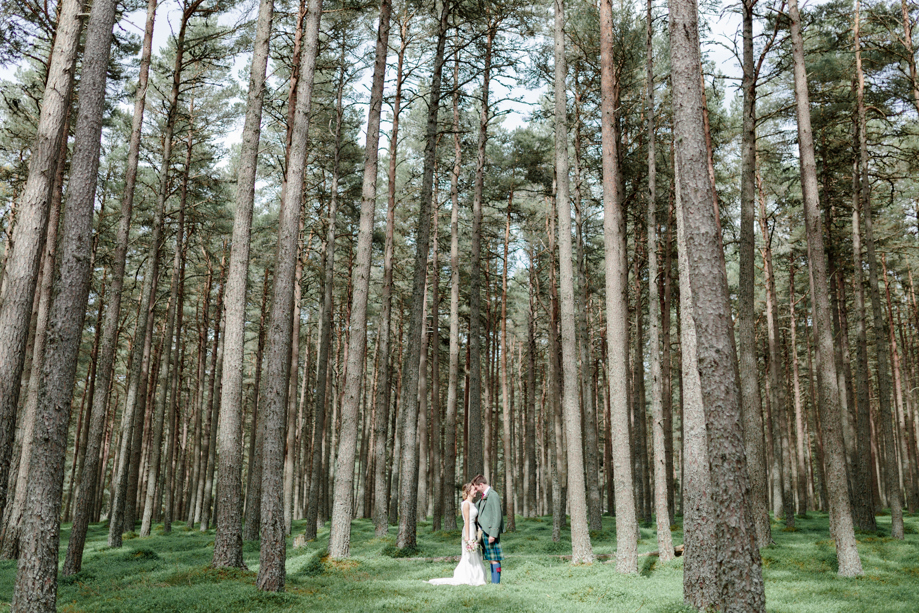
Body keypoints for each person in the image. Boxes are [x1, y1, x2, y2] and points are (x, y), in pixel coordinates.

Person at [427, 483, 487, 586]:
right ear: (468, 492)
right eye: (473, 490)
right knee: (469, 554)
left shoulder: (473, 504)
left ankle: (477, 576)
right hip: (468, 530)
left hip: (474, 529)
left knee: (475, 553)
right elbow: (467, 520)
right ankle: (469, 576)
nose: (475, 491)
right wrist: (467, 537)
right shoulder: (466, 504)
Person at [472, 474, 504, 584]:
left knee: (494, 558)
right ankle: (494, 582)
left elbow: (497, 515)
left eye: (476, 488)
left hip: (490, 531)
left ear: (481, 485)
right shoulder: (484, 496)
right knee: (490, 558)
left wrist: (493, 534)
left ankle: (496, 584)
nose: (476, 490)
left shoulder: (493, 495)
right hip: (484, 531)